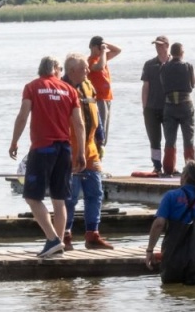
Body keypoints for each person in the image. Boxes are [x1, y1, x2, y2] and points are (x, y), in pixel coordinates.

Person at [9, 56, 86, 258]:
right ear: (56, 69)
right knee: (59, 199)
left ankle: (52, 239)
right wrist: (82, 152)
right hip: (64, 149)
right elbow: (79, 124)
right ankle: (58, 245)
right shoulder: (69, 90)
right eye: (60, 69)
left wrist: (14, 141)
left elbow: (23, 115)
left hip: (43, 148)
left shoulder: (32, 87)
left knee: (31, 197)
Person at [61, 54, 113, 251]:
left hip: (90, 149)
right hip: (70, 149)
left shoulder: (88, 85)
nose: (87, 71)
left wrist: (100, 136)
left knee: (95, 192)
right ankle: (65, 235)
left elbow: (96, 111)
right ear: (72, 70)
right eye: (84, 69)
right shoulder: (62, 89)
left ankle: (92, 234)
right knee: (70, 197)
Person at [145, 160, 195, 285]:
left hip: (172, 261)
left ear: (185, 176)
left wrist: (150, 250)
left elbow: (158, 224)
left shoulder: (171, 197)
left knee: (172, 296)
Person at [159, 42, 195, 175]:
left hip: (169, 106)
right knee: (188, 138)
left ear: (172, 52)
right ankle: (191, 169)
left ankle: (168, 169)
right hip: (186, 105)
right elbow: (193, 84)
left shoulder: (164, 68)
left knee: (170, 139)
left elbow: (163, 85)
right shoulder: (188, 66)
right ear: (182, 53)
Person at [87, 36, 121, 155]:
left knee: (105, 129)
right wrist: (103, 53)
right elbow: (99, 67)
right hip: (98, 99)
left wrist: (105, 44)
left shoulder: (103, 57)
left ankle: (100, 155)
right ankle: (96, 153)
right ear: (93, 47)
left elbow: (118, 50)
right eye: (99, 47)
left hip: (107, 98)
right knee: (99, 130)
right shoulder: (91, 61)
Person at [141, 35, 171, 174]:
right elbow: (145, 86)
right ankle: (157, 166)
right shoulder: (149, 64)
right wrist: (144, 107)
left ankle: (170, 166)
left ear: (167, 45)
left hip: (169, 108)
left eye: (160, 45)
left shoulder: (174, 63)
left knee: (170, 139)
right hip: (152, 108)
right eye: (156, 45)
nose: (158, 47)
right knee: (154, 140)